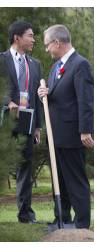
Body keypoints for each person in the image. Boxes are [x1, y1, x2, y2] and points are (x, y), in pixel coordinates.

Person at [37, 24, 94, 228]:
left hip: (72, 134)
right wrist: (46, 94)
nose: (46, 49)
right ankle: (61, 219)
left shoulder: (81, 64)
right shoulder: (56, 66)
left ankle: (82, 224)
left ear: (57, 43)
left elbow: (85, 100)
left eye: (47, 45)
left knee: (75, 180)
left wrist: (85, 130)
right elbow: (60, 95)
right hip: (56, 135)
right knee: (59, 180)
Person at [0, 20, 42, 224]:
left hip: (27, 122)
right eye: (30, 35)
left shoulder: (35, 64)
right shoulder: (1, 60)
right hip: (4, 122)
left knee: (25, 168)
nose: (34, 39)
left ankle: (25, 215)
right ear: (17, 37)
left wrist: (38, 126)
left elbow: (36, 98)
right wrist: (8, 102)